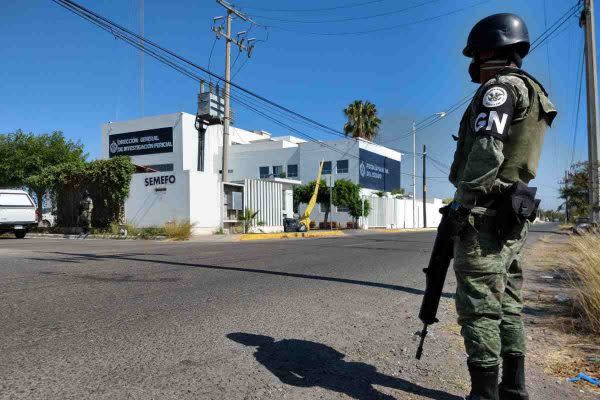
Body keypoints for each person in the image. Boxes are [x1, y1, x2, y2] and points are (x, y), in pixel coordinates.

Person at [448, 14, 557, 400]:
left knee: (478, 305)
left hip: (486, 212)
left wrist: (466, 200)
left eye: (475, 53)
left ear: (490, 49)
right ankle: (513, 388)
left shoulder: (499, 90)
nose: (472, 62)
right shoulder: (533, 90)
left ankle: (483, 394)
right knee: (509, 300)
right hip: (513, 210)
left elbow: (487, 148)